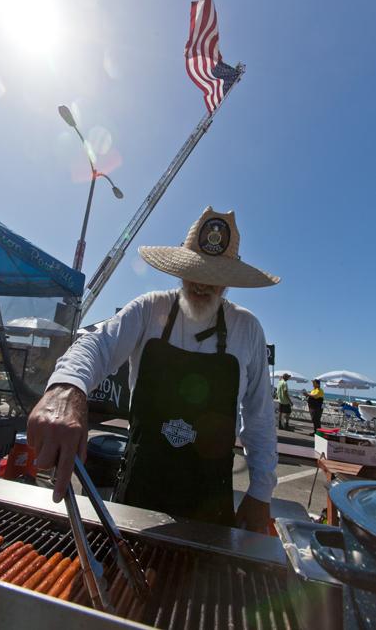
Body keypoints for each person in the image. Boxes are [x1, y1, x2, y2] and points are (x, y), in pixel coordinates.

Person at [27, 207, 280, 533]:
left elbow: (259, 417)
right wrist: (67, 386)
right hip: (139, 491)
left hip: (210, 502)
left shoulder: (247, 329)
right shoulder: (149, 309)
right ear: (180, 269)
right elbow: (97, 345)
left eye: (214, 276)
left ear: (228, 281)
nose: (203, 283)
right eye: (196, 271)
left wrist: (261, 491)